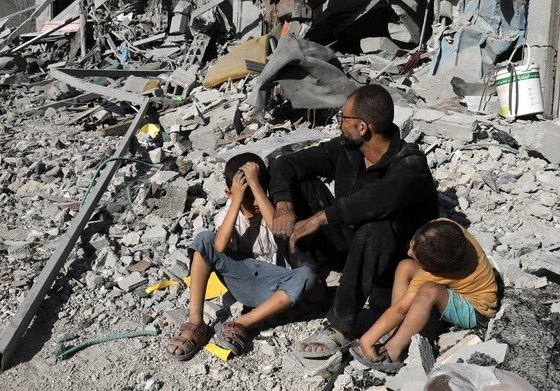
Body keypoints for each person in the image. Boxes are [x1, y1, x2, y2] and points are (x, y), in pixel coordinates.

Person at [267, 84, 439, 358]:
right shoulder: (349, 151)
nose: (338, 124)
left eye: (342, 118)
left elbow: (377, 200)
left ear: (362, 128)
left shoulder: (410, 164)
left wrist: (320, 219)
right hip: (352, 242)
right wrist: (284, 205)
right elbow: (284, 163)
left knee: (375, 225)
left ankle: (340, 325)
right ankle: (312, 279)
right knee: (300, 183)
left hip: (393, 258)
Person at [165, 153, 316, 360]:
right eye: (247, 196)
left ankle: (242, 323)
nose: (254, 202)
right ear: (231, 194)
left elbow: (275, 225)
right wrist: (236, 200)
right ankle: (196, 322)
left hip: (273, 287)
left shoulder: (270, 207)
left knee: (306, 275)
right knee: (204, 239)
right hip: (242, 280)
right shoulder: (228, 213)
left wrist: (255, 186)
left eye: (258, 192)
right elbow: (218, 245)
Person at [351, 218, 499, 372]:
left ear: (432, 270)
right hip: (459, 285)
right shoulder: (446, 227)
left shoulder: (433, 275)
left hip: (477, 309)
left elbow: (401, 309)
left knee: (429, 291)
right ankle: (394, 331)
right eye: (412, 245)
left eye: (416, 258)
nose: (409, 252)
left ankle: (394, 350)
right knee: (405, 266)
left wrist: (367, 340)